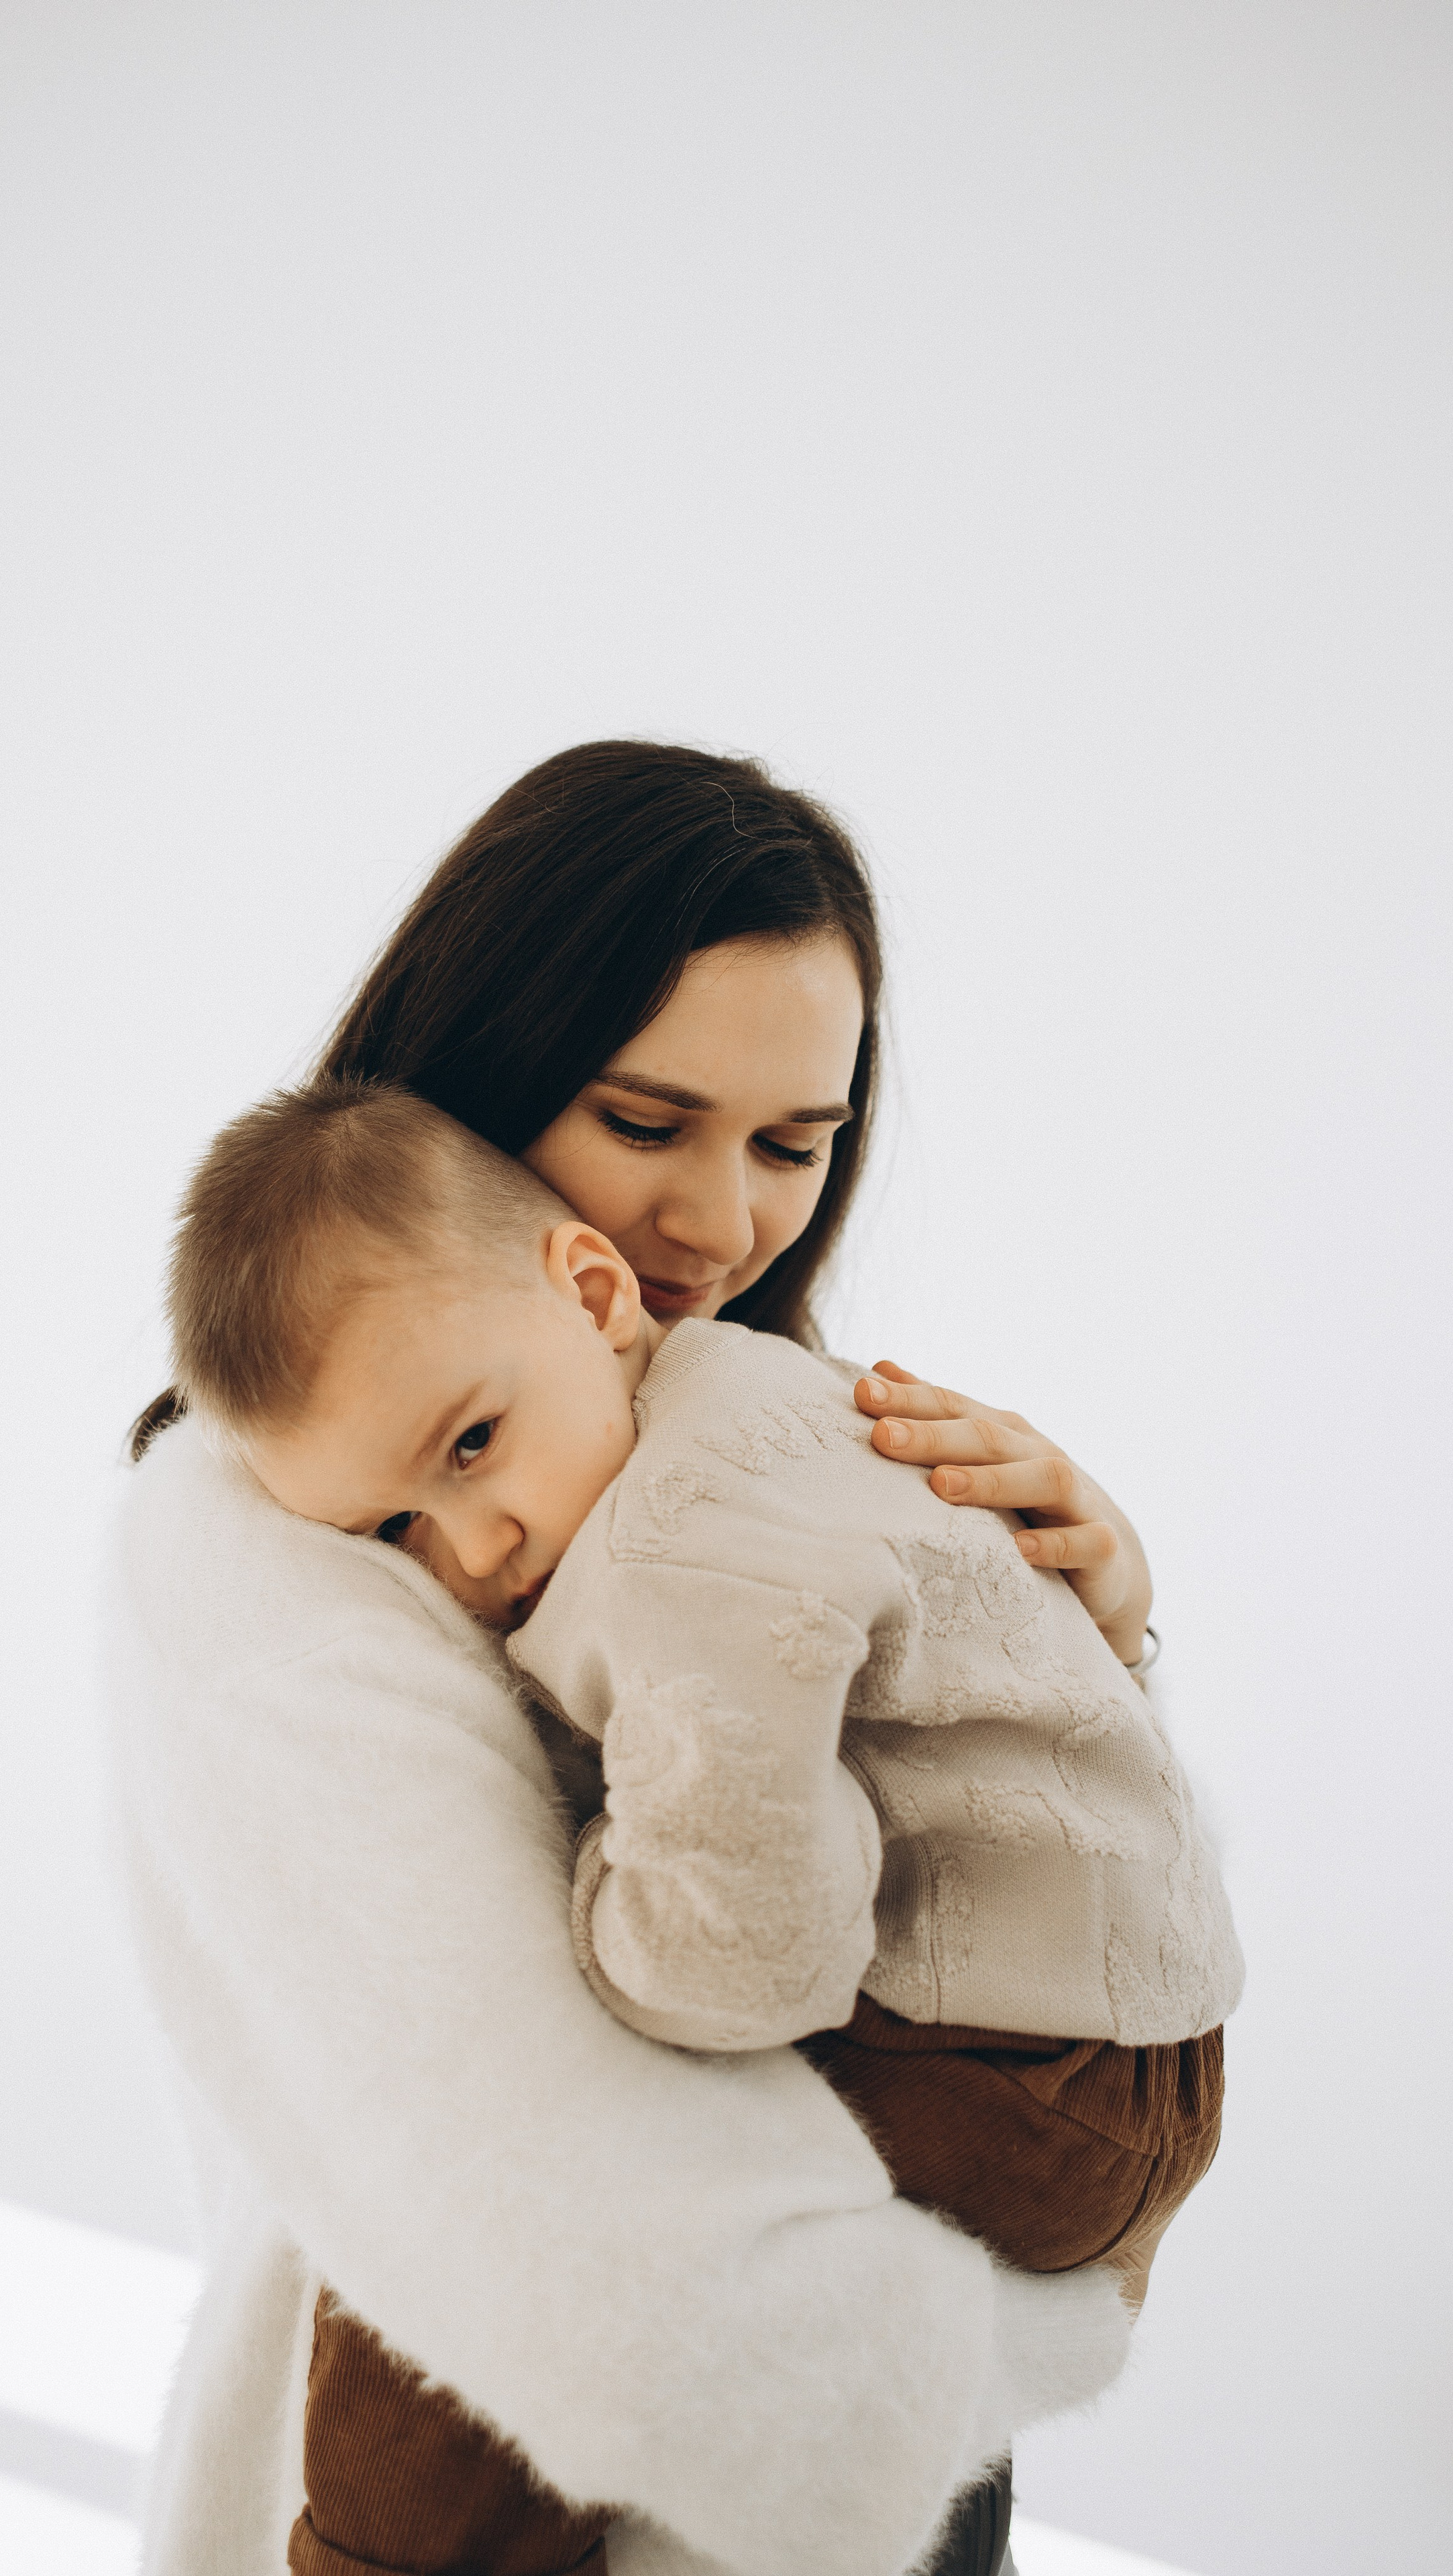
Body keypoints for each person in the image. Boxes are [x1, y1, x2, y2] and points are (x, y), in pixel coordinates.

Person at [111, 741, 1158, 2576]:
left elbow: (1026, 1933)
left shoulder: (755, 1448)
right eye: (646, 1120)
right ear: (490, 1073)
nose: (717, 1224)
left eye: (792, 1145)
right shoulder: (263, 1519)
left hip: (860, 2456)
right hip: (566, 2446)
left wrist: (1090, 1637)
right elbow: (549, 2189)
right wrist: (1042, 2329)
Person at [172, 1078, 1238, 2323]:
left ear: (590, 1293)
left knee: (496, 2224)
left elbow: (745, 1958)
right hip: (1115, 2038)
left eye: (471, 1448)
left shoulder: (668, 1552)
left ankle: (365, 2535)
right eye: (395, 1529)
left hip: (1029, 2077)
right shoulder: (744, 1393)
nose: (471, 1552)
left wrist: (590, 1895)